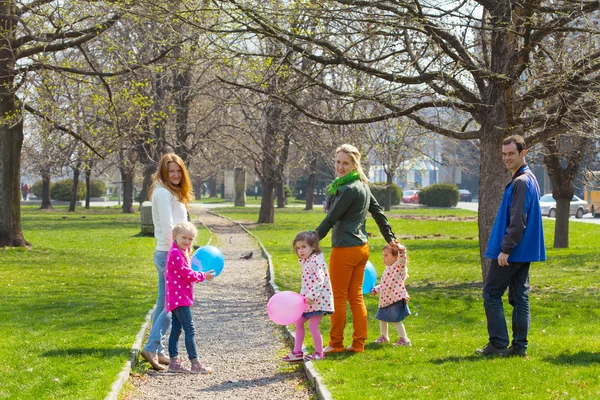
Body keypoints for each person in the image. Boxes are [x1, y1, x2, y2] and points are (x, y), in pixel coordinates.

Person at [315, 144, 399, 354]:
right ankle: (358, 343)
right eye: (338, 162)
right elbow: (379, 213)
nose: (340, 167)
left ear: (355, 165)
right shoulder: (361, 186)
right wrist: (390, 239)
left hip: (345, 249)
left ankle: (335, 343)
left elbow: (332, 218)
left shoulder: (349, 189)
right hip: (361, 248)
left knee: (339, 298)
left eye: (345, 163)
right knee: (355, 297)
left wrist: (313, 239)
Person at [476, 135, 545, 357]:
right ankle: (519, 348)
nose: (506, 158)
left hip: (514, 251)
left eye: (511, 154)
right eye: (504, 154)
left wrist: (505, 249)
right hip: (523, 250)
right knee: (519, 297)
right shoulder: (528, 179)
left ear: (523, 153)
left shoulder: (522, 182)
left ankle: (497, 345)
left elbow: (518, 220)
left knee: (491, 293)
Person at [140, 153, 194, 371]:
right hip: (169, 255)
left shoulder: (173, 193)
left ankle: (159, 350)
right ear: (163, 172)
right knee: (170, 305)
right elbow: (169, 228)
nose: (175, 174)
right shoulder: (163, 194)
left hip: (172, 254)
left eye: (178, 170)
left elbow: (182, 225)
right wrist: (180, 255)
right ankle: (152, 346)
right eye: (171, 171)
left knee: (164, 304)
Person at [165, 221, 215, 374]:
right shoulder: (176, 253)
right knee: (190, 329)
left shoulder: (181, 251)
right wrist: (203, 276)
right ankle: (195, 363)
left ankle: (173, 363)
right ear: (175, 236)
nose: (187, 242)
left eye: (190, 239)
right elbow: (187, 274)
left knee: (176, 329)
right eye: (184, 238)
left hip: (177, 297)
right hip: (179, 298)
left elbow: (187, 270)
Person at [282, 231, 334, 362]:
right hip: (306, 301)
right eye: (298, 248)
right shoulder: (306, 261)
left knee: (312, 326)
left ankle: (319, 353)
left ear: (314, 247)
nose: (300, 250)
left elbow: (319, 280)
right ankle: (297, 351)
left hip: (318, 301)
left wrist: (311, 295)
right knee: (298, 322)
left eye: (304, 247)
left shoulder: (316, 261)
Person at [371, 244, 411, 346]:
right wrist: (376, 289)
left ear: (395, 257)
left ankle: (405, 340)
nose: (383, 258)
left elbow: (402, 261)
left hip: (395, 299)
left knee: (395, 320)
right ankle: (384, 336)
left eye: (386, 255)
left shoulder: (398, 267)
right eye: (383, 255)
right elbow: (385, 284)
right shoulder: (387, 269)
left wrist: (402, 252)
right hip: (385, 300)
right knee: (382, 318)